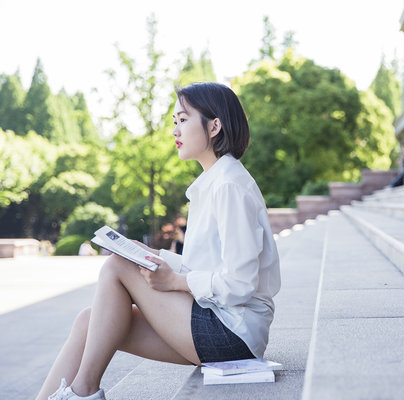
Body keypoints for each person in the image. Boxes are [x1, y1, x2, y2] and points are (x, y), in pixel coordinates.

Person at [37, 82, 281, 400]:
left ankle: (84, 391)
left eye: (183, 119)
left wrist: (177, 282)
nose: (175, 130)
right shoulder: (213, 183)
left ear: (214, 126)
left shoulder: (229, 186)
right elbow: (205, 265)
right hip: (215, 322)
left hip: (233, 333)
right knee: (88, 321)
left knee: (116, 267)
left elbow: (241, 283)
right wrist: (148, 252)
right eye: (173, 122)